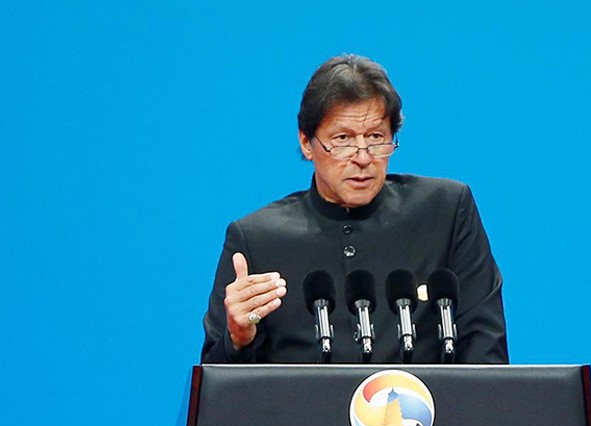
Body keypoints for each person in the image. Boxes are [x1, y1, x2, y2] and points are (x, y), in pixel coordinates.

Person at [201, 54, 508, 365]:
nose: (362, 157)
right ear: (307, 142)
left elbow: (486, 351)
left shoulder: (445, 212)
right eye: (343, 139)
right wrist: (238, 339)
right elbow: (214, 380)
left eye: (376, 137)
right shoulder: (257, 241)